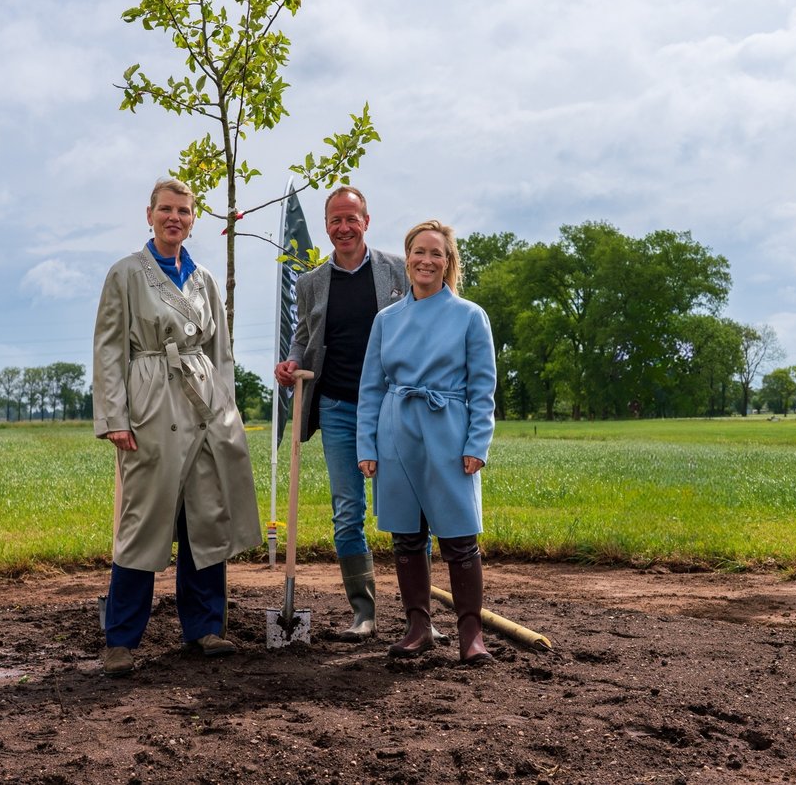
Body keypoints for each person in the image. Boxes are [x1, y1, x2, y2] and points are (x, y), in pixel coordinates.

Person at [92, 177, 262, 677]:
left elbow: (221, 353)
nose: (175, 218)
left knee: (206, 516)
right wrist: (115, 418)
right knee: (143, 522)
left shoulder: (204, 278)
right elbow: (109, 351)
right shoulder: (125, 273)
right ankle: (121, 640)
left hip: (204, 404)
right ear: (149, 215)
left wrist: (226, 413)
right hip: (151, 403)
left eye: (184, 211)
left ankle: (205, 627)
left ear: (193, 219)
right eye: (166, 209)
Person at [356, 220, 497, 665]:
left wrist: (477, 443)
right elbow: (371, 388)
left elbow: (483, 387)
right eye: (419, 251)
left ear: (448, 261)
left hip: (449, 432)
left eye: (436, 253)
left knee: (459, 536)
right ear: (407, 258)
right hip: (396, 431)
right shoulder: (386, 320)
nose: (426, 260)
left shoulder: (470, 316)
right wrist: (367, 446)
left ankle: (471, 634)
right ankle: (418, 628)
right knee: (406, 536)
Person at [274, 185, 407, 641]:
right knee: (348, 511)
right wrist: (291, 364)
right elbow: (303, 337)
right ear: (326, 226)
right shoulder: (310, 282)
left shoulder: (398, 271)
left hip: (393, 408)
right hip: (337, 406)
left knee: (408, 508)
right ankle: (363, 613)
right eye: (336, 220)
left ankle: (418, 615)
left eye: (352, 218)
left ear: (366, 222)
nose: (344, 227)